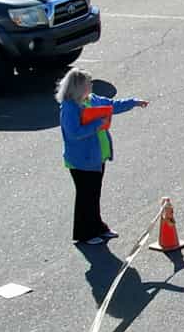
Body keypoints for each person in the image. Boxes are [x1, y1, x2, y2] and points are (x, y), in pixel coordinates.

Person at [56, 67, 149, 245]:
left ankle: (98, 227)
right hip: (81, 161)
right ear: (78, 87)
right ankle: (86, 234)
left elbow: (112, 105)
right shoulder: (70, 107)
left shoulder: (91, 100)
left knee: (94, 195)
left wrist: (133, 103)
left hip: (96, 158)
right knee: (86, 197)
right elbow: (74, 132)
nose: (91, 86)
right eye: (87, 84)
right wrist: (97, 125)